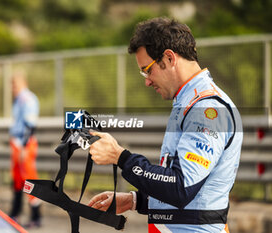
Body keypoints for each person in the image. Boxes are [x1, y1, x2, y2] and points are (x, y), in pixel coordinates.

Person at [88, 17, 243, 233]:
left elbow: (181, 188)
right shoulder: (188, 101)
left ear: (169, 58)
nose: (147, 81)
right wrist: (135, 200)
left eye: (148, 70)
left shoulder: (207, 110)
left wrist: (120, 157)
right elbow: (187, 189)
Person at [9, 71, 42, 228]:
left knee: (29, 180)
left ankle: (36, 216)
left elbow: (30, 125)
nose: (12, 88)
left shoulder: (27, 99)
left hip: (24, 144)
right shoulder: (18, 100)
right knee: (17, 180)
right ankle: (15, 214)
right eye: (11, 84)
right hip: (18, 144)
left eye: (15, 84)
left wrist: (24, 147)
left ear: (23, 83)